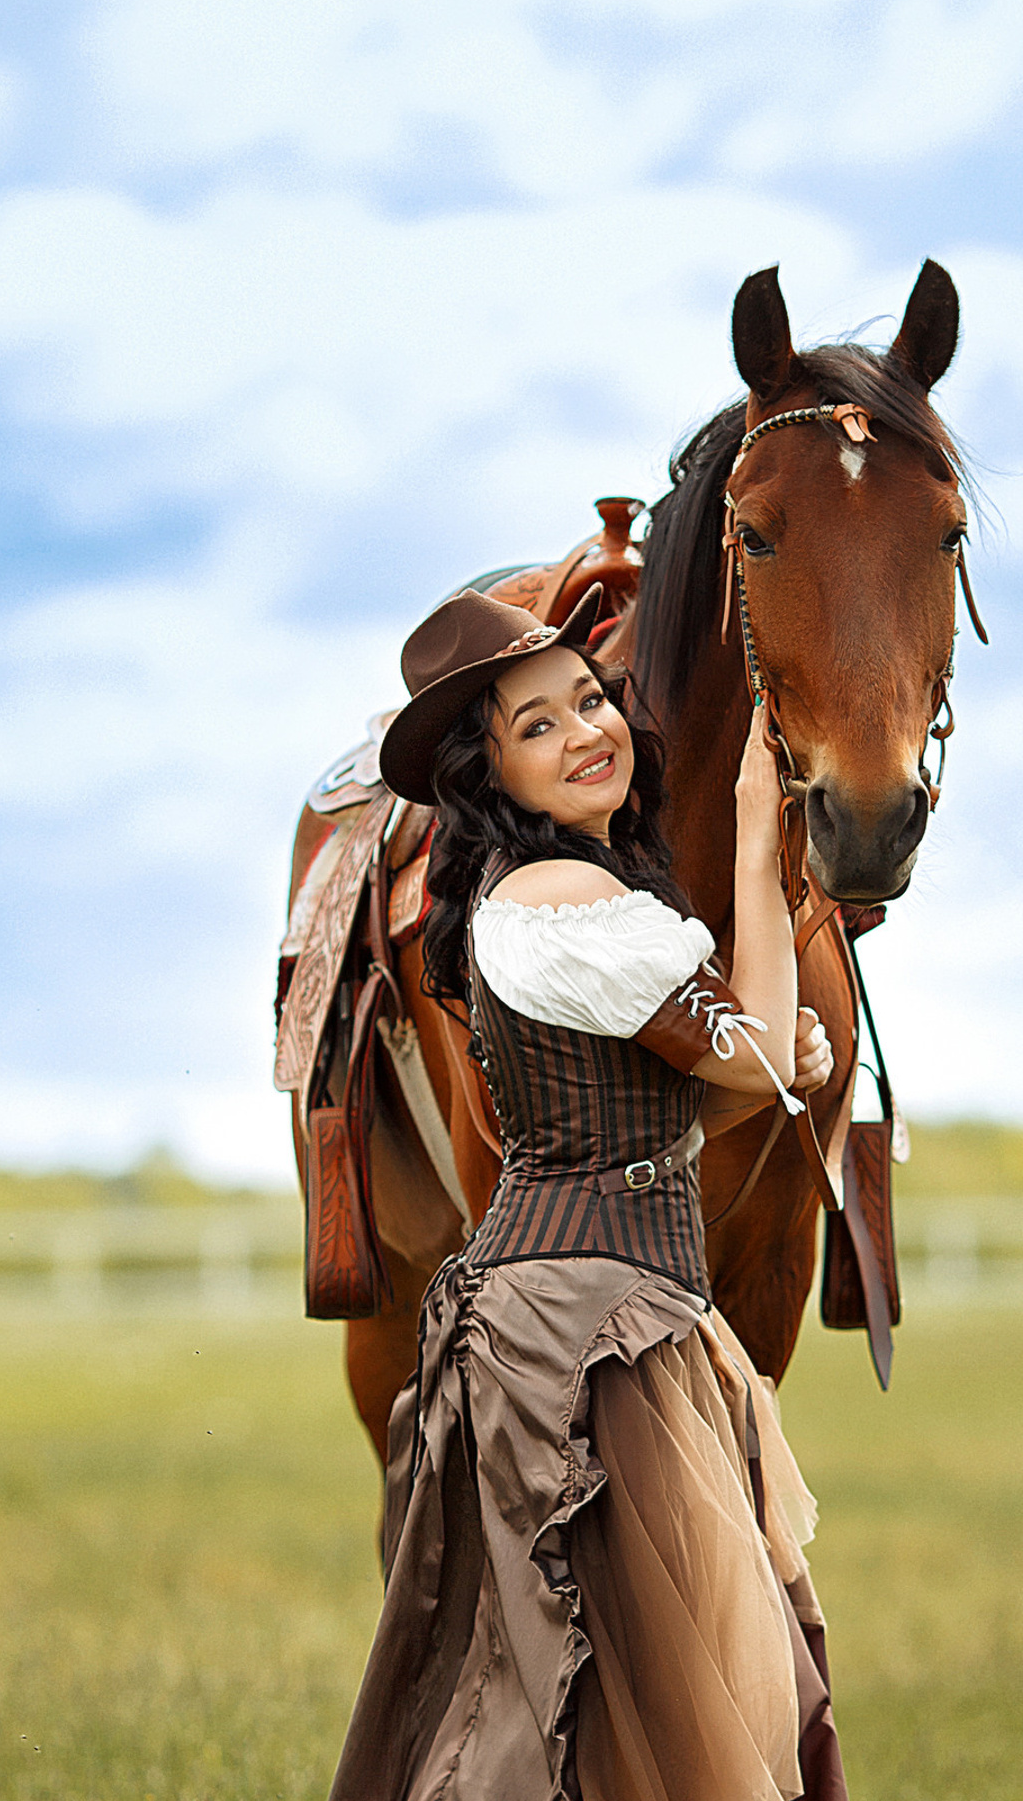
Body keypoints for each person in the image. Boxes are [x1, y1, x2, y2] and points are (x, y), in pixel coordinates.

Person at [329, 583, 847, 1801]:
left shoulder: (571, 899)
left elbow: (693, 1106)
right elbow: (759, 1053)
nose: (588, 731)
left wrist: (768, 1055)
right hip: (586, 1343)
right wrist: (764, 849)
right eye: (539, 727)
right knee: (630, 1709)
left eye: (590, 699)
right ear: (492, 775)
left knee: (600, 1702)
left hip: (606, 1319)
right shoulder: (564, 902)